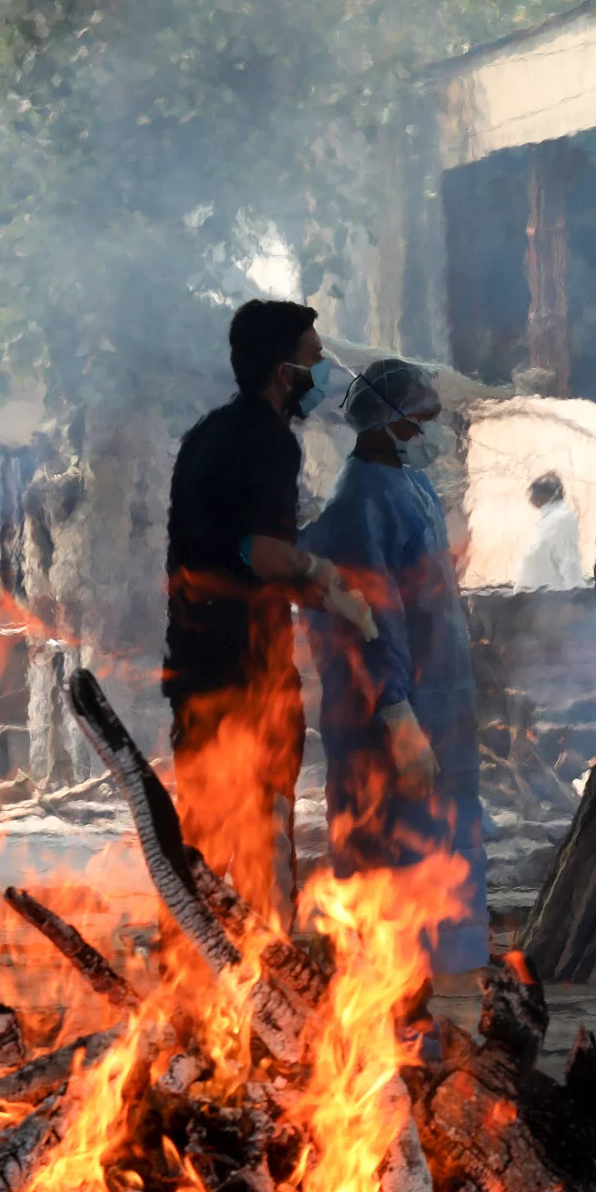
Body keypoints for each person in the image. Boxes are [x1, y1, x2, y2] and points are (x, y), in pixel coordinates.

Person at [164, 299, 378, 918]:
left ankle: (189, 980)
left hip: (194, 665)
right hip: (250, 677)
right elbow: (262, 553)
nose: (321, 373)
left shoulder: (206, 434)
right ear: (284, 372)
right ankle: (268, 973)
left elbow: (222, 554)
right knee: (264, 830)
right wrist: (322, 572)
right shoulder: (269, 441)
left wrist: (310, 593)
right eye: (313, 359)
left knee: (200, 834)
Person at [300, 359, 488, 1000]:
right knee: (390, 868)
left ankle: (438, 1013)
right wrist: (399, 717)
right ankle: (386, 1027)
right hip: (387, 721)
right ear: (392, 419)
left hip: (441, 709)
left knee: (445, 862)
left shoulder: (415, 487)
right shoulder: (358, 505)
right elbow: (366, 628)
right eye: (425, 413)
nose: (433, 424)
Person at [515, 471, 582, 589]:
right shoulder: (549, 519)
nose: (531, 497)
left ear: (544, 495)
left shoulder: (561, 519)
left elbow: (569, 560)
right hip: (535, 599)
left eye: (534, 493)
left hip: (550, 600)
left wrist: (574, 599)